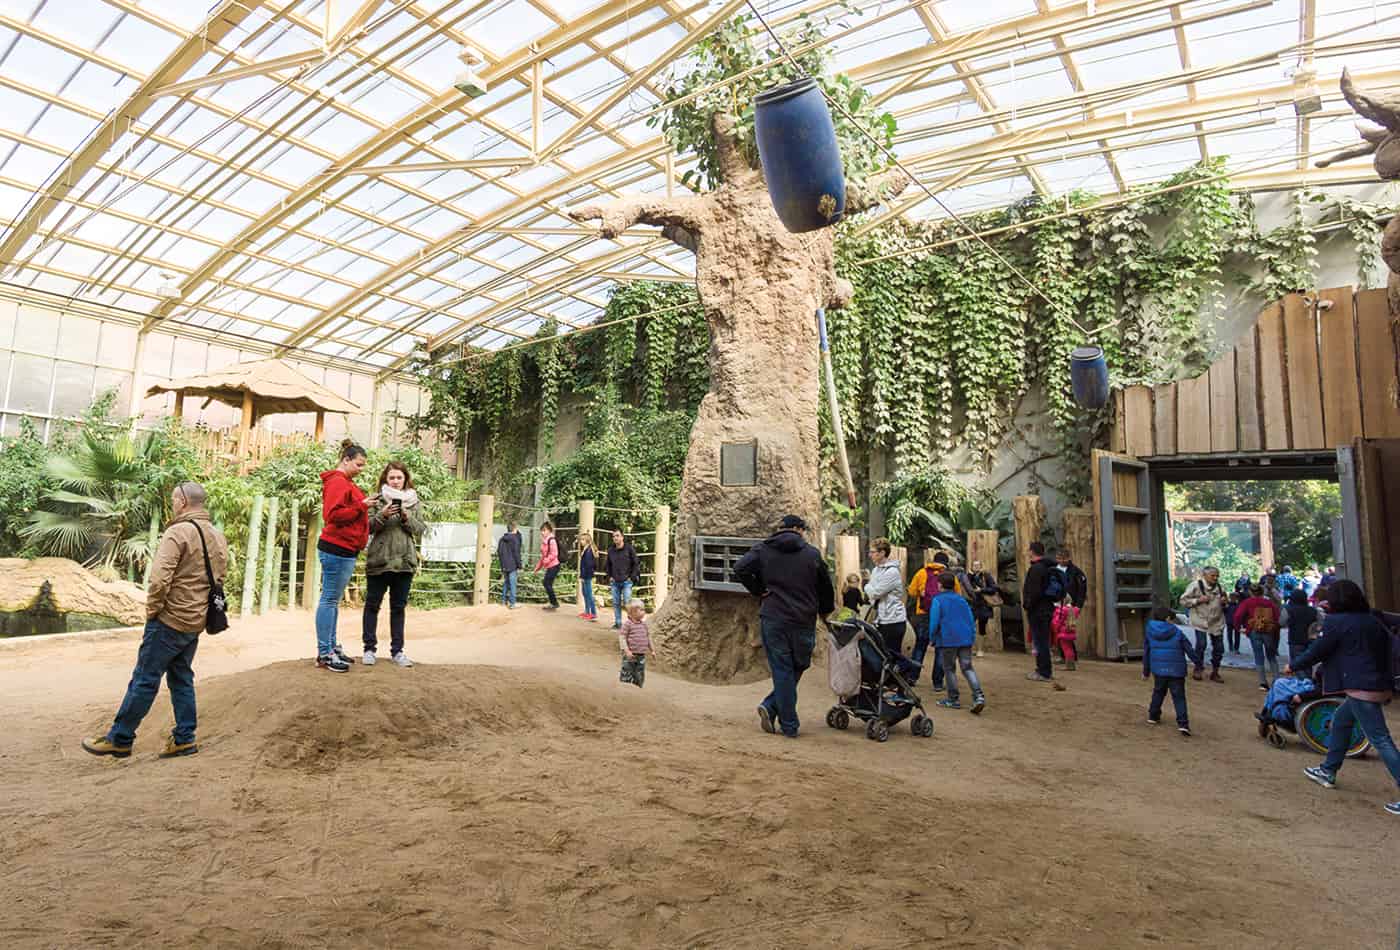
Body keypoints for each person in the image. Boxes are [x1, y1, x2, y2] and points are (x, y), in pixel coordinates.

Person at [83, 482, 229, 758]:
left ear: (183, 501)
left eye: (175, 499)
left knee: (145, 678)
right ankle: (185, 738)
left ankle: (120, 738)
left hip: (170, 619)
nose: (173, 504)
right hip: (195, 620)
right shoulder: (217, 535)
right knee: (181, 678)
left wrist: (153, 610)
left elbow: (160, 579)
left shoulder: (177, 532)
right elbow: (220, 577)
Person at [1289, 581, 1400, 816]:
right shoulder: (1372, 618)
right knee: (1341, 721)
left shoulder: (1336, 622)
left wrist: (1294, 665)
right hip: (1379, 683)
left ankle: (1329, 770)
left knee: (1380, 739)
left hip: (1360, 686)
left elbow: (1319, 649)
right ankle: (1328, 770)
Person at [733, 514, 835, 739]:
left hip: (773, 617)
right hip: (803, 619)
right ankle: (789, 724)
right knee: (798, 665)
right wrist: (825, 612)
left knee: (782, 669)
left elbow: (739, 568)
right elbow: (826, 588)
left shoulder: (763, 550)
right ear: (798, 529)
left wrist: (758, 589)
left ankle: (771, 706)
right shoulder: (812, 554)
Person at [362, 462, 425, 668]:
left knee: (398, 608)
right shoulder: (377, 499)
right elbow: (367, 527)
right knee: (372, 605)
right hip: (379, 560)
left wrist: (406, 517)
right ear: (385, 480)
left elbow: (420, 529)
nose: (396, 481)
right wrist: (383, 515)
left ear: (405, 479)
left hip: (404, 562)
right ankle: (369, 649)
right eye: (392, 478)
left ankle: (397, 651)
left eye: (399, 478)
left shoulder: (414, 501)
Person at [315, 440, 371, 672]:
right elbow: (332, 515)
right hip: (337, 548)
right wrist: (362, 506)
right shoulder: (338, 482)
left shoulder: (344, 482)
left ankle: (331, 646)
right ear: (346, 460)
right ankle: (325, 652)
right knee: (329, 599)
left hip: (345, 548)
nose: (361, 469)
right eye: (358, 464)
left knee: (332, 600)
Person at [929, 572, 986, 713]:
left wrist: (932, 637)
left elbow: (934, 622)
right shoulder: (961, 600)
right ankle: (978, 696)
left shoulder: (938, 600)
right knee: (967, 668)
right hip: (965, 638)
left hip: (948, 639)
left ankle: (953, 699)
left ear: (940, 584)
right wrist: (971, 635)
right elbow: (970, 619)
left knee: (949, 669)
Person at [1142, 605, 1201, 736]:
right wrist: (1198, 663)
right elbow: (1189, 649)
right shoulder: (1177, 632)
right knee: (1179, 697)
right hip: (1176, 669)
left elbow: (1146, 652)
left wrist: (1146, 671)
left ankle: (1153, 715)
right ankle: (1183, 723)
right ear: (1168, 618)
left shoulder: (1149, 631)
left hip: (1158, 669)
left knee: (1158, 692)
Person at [1180, 566, 1227, 683]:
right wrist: (1198, 600)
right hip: (1200, 620)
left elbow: (1226, 603)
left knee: (1219, 648)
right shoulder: (1195, 586)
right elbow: (1183, 601)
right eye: (1213, 576)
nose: (1215, 578)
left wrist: (1225, 602)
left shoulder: (1220, 587)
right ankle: (1198, 668)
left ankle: (1215, 671)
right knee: (1201, 645)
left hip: (1217, 621)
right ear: (1204, 575)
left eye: (1217, 576)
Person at [864, 538, 908, 662]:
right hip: (880, 619)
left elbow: (875, 593)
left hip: (893, 620)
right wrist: (871, 589)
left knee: (891, 656)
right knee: (880, 655)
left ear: (882, 553)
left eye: (873, 552)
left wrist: (867, 586)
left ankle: (900, 678)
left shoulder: (892, 572)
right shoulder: (876, 570)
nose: (870, 555)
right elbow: (872, 595)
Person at [1022, 541, 1059, 684]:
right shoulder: (1047, 567)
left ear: (1032, 551)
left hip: (1038, 610)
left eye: (1029, 550)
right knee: (1043, 640)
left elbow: (1035, 592)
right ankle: (1044, 670)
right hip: (1047, 608)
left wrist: (1028, 605)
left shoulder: (1037, 569)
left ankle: (1043, 672)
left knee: (1040, 641)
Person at [1235, 584, 1282, 690]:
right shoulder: (1269, 603)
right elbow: (1277, 617)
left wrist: (1239, 628)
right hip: (1269, 631)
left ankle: (1263, 682)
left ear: (1250, 592)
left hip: (1254, 630)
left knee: (1258, 656)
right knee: (1271, 656)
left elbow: (1238, 616)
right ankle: (1277, 680)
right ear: (1262, 592)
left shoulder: (1247, 602)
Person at [905, 552, 941, 686]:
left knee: (920, 646)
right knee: (940, 649)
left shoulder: (922, 573)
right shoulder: (949, 575)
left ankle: (913, 677)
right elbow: (957, 593)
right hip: (942, 616)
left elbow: (911, 591)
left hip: (923, 613)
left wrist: (921, 593)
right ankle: (937, 682)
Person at [603, 529, 640, 629]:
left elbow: (636, 563)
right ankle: (618, 623)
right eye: (614, 536)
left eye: (617, 536)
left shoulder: (629, 549)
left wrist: (632, 577)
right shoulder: (611, 550)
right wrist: (609, 576)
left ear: (622, 537)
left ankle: (630, 624)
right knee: (616, 603)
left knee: (628, 602)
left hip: (626, 581)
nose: (615, 538)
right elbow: (608, 565)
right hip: (615, 581)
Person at [965, 559, 1001, 658]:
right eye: (974, 565)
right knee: (969, 626)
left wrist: (981, 590)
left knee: (982, 627)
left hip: (983, 605)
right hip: (972, 605)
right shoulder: (969, 577)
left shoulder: (986, 576)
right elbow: (965, 586)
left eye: (978, 565)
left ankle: (980, 649)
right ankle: (970, 649)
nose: (976, 567)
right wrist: (970, 576)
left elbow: (994, 588)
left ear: (981, 566)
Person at [618, 598, 651, 688]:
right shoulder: (628, 624)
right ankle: (625, 687)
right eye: (641, 610)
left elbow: (648, 637)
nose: (644, 611)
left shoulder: (644, 625)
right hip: (630, 654)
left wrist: (652, 650)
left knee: (640, 671)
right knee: (627, 670)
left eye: (644, 609)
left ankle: (638, 687)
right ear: (632, 613)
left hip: (641, 655)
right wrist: (626, 651)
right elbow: (622, 637)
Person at [1284, 587, 1319, 665]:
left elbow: (1281, 623)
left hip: (1295, 640)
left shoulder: (1289, 610)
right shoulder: (1313, 610)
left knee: (1297, 664)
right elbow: (1320, 624)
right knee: (1308, 663)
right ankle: (1308, 677)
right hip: (1310, 640)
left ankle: (1303, 677)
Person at [534, 521, 561, 610]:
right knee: (547, 583)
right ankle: (553, 603)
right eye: (541, 530)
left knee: (546, 583)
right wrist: (537, 568)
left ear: (549, 531)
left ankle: (554, 603)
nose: (542, 532)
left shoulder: (551, 540)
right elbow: (543, 557)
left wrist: (546, 560)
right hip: (550, 565)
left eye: (544, 530)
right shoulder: (545, 541)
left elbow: (554, 554)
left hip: (554, 565)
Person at [497, 520, 523, 609]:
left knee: (506, 582)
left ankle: (503, 601)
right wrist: (520, 565)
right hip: (512, 565)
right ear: (515, 528)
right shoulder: (515, 539)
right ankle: (512, 603)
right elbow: (517, 553)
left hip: (504, 564)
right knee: (512, 583)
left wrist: (502, 565)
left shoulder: (502, 539)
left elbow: (499, 552)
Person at [577, 534, 598, 621]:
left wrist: (583, 576)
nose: (581, 541)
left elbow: (588, 565)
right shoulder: (585, 550)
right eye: (581, 539)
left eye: (582, 540)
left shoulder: (588, 551)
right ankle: (587, 611)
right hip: (585, 575)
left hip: (587, 576)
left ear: (587, 541)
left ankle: (593, 613)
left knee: (589, 594)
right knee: (585, 593)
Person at [1225, 590, 1243, 654]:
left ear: (1237, 598)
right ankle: (1230, 646)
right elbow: (1224, 611)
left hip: (1237, 622)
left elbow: (1241, 614)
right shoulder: (1227, 604)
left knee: (1237, 635)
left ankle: (1236, 648)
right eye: (1231, 597)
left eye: (1234, 597)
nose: (1233, 599)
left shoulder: (1239, 605)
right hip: (1229, 622)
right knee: (1229, 635)